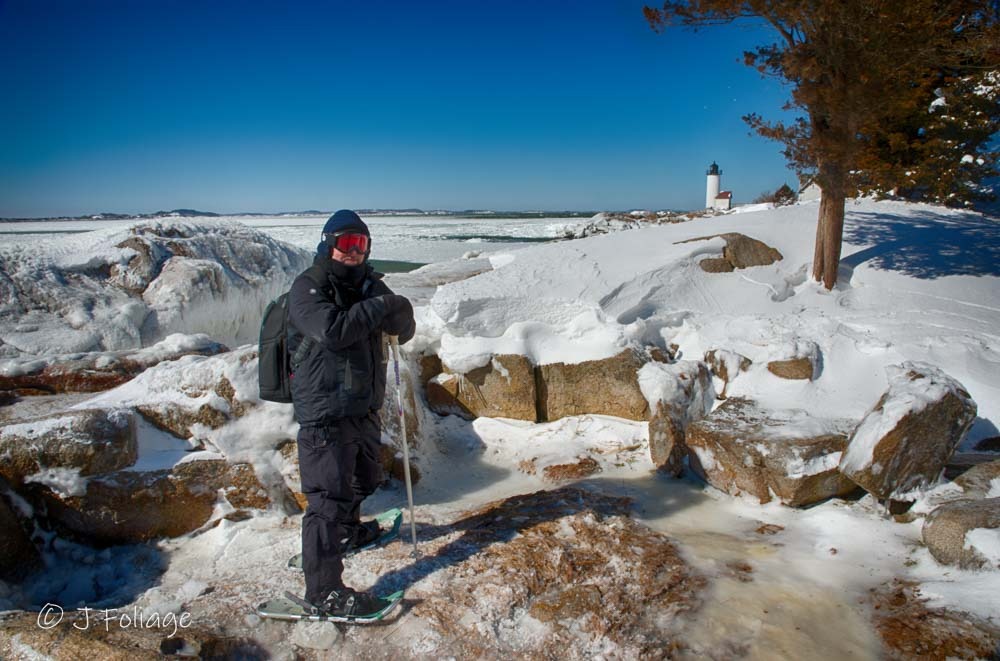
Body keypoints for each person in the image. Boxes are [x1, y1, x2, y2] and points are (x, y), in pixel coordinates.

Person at [287, 209, 415, 617]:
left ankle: (348, 533)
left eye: (360, 244)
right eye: (345, 243)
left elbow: (400, 330)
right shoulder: (308, 287)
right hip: (325, 408)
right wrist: (381, 308)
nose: (353, 252)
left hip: (362, 405)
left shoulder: (369, 284)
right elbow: (333, 330)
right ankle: (322, 589)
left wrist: (402, 315)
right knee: (327, 498)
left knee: (364, 478)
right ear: (328, 243)